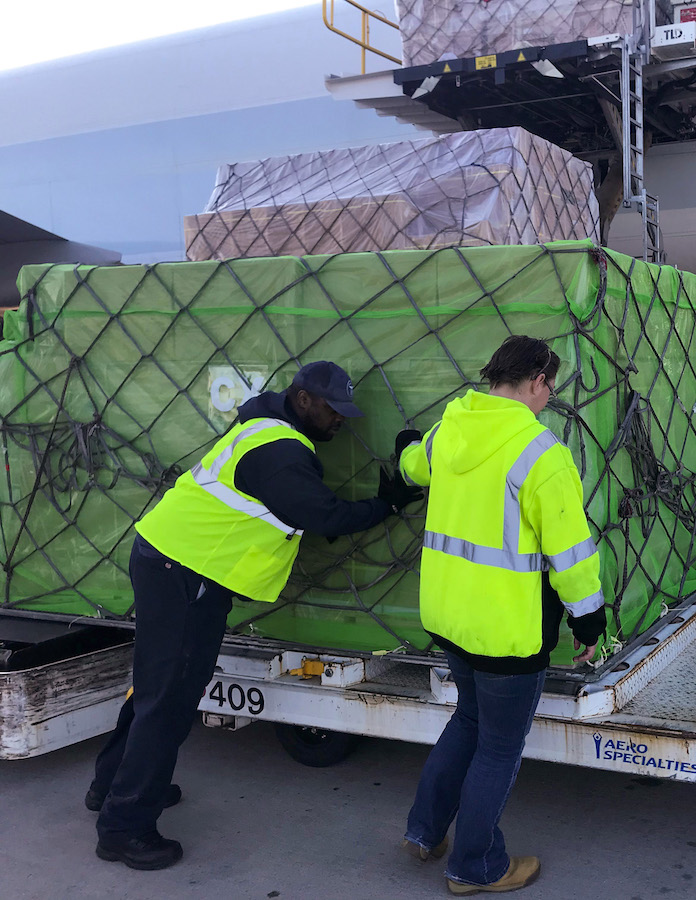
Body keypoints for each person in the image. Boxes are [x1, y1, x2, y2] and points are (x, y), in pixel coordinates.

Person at [89, 361, 422, 870]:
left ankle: (113, 787)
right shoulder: (280, 452)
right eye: (333, 410)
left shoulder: (265, 428)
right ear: (304, 399)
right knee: (171, 699)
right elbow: (322, 516)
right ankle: (124, 826)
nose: (341, 421)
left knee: (155, 689)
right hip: (186, 574)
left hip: (173, 562)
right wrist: (387, 504)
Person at [398, 335, 606, 896]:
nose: (549, 398)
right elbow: (571, 554)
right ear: (537, 381)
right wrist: (589, 621)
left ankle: (423, 833)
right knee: (498, 746)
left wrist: (403, 449)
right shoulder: (541, 453)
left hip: (450, 619)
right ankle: (475, 867)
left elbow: (413, 466)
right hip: (508, 633)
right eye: (550, 388)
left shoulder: (449, 430)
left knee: (468, 721)